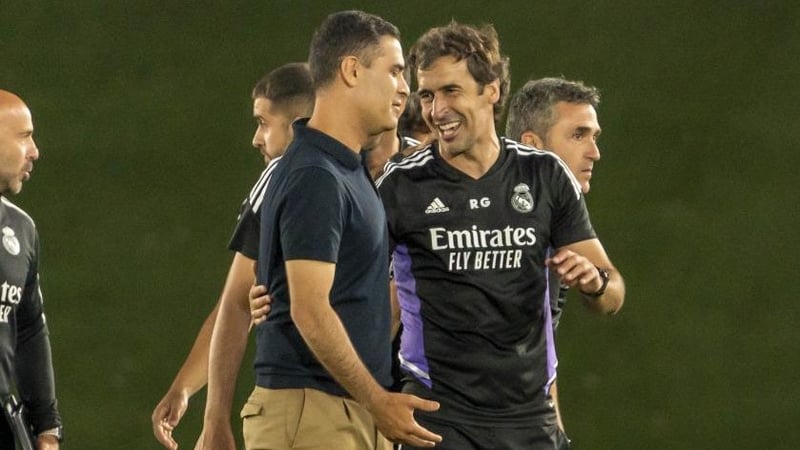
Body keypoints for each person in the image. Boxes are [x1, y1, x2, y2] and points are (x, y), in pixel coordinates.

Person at [375, 21, 625, 449]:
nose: (436, 110)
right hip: (439, 418)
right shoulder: (400, 186)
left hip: (530, 419)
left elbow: (612, 292)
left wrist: (595, 282)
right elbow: (360, 298)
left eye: (451, 91)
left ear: (491, 90)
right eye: (427, 95)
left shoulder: (545, 175)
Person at [202, 10, 441, 450]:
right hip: (314, 412)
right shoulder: (317, 175)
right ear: (351, 70)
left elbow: (347, 296)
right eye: (393, 71)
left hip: (340, 410)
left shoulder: (345, 168)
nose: (404, 88)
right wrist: (377, 400)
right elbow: (309, 310)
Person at [150, 63, 314, 450]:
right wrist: (185, 388)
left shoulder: (281, 174)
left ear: (298, 124)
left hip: (305, 397)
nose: (256, 139)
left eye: (263, 123)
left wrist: (213, 415)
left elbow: (238, 301)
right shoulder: (378, 168)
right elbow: (238, 301)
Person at [505, 76, 605, 447]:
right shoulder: (484, 218)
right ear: (531, 145)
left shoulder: (555, 219)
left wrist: (554, 434)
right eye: (578, 135)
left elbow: (535, 352)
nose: (594, 152)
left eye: (594, 136)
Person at [0, 89, 63, 449]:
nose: (35, 151)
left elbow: (28, 327)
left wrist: (46, 425)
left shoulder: (20, 229)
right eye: (24, 136)